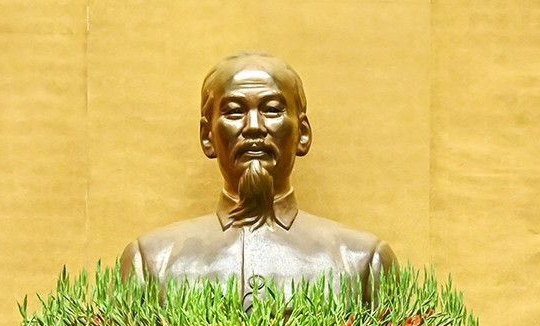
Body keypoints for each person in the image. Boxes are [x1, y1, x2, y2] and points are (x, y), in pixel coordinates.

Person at [120, 52, 397, 297]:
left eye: (272, 110)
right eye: (234, 111)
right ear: (207, 136)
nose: (254, 127)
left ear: (303, 133)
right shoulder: (152, 262)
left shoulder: (362, 262)